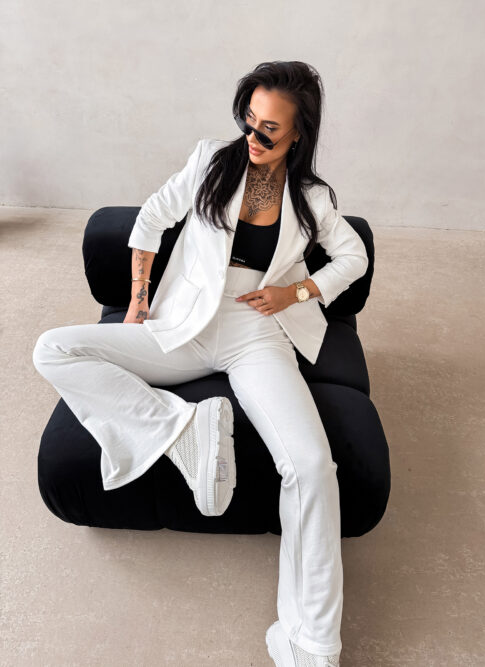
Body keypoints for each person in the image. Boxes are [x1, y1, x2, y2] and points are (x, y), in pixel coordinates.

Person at [33, 61, 369, 667]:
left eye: (270, 129)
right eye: (249, 120)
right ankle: (181, 428)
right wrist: (138, 304)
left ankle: (310, 644)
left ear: (298, 133)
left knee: (313, 466)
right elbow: (150, 220)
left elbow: (352, 257)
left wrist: (296, 292)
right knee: (53, 347)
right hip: (182, 327)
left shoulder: (312, 197)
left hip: (257, 334)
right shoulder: (212, 160)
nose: (254, 135)